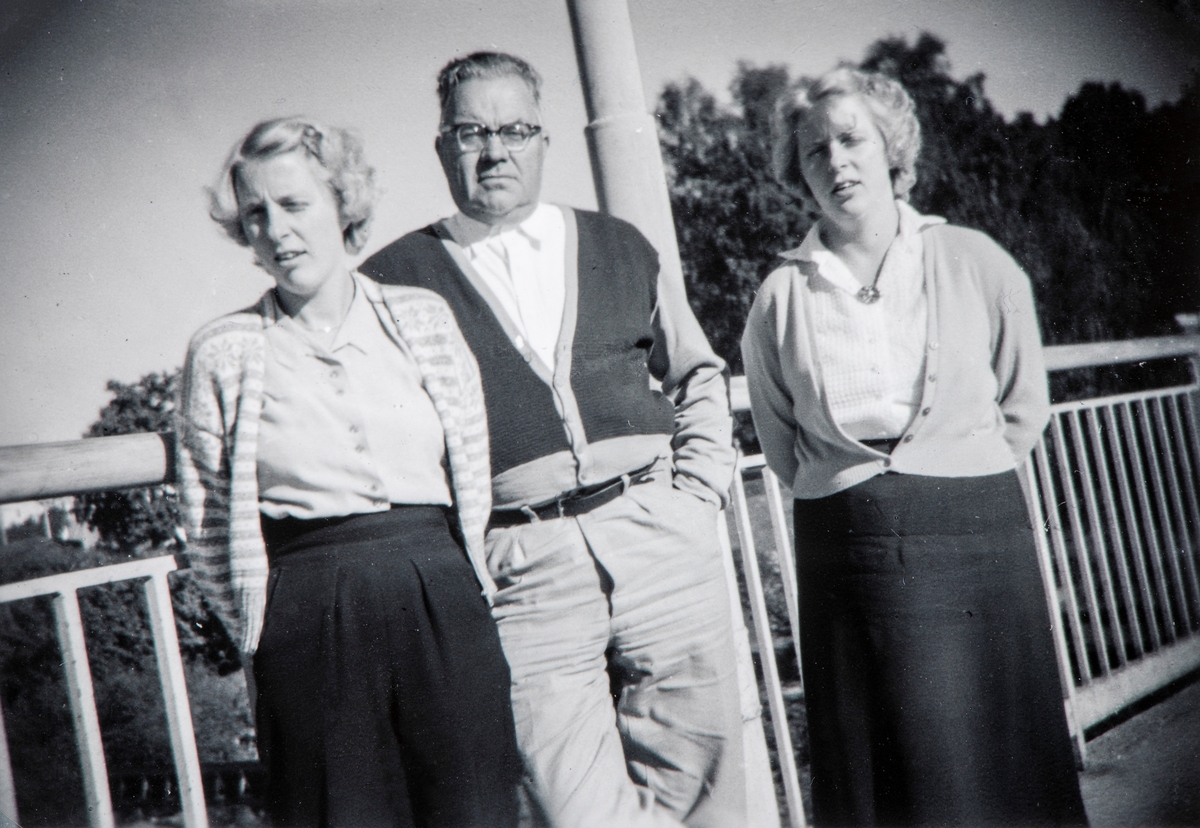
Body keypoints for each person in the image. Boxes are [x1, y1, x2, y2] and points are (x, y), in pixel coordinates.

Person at [361, 52, 746, 828]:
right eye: (471, 131)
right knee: (565, 803)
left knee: (704, 788)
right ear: (441, 146)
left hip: (658, 532)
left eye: (514, 129)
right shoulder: (391, 281)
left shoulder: (619, 244)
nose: (494, 150)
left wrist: (696, 494)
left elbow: (697, 372)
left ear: (543, 141)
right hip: (521, 565)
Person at [741, 67, 1088, 826]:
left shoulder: (974, 259)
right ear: (796, 173)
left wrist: (949, 473)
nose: (834, 163)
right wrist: (865, 489)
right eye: (812, 152)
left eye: (849, 139)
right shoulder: (781, 294)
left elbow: (1022, 405)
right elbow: (780, 438)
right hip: (850, 551)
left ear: (889, 145)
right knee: (888, 774)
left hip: (976, 535)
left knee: (999, 765)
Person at [176, 116, 521, 828]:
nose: (277, 230)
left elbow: (472, 462)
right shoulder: (224, 351)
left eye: (295, 204)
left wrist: (466, 577)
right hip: (307, 608)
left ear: (343, 204)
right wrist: (260, 627)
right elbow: (206, 521)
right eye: (256, 214)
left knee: (476, 809)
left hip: (440, 587)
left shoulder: (422, 319)